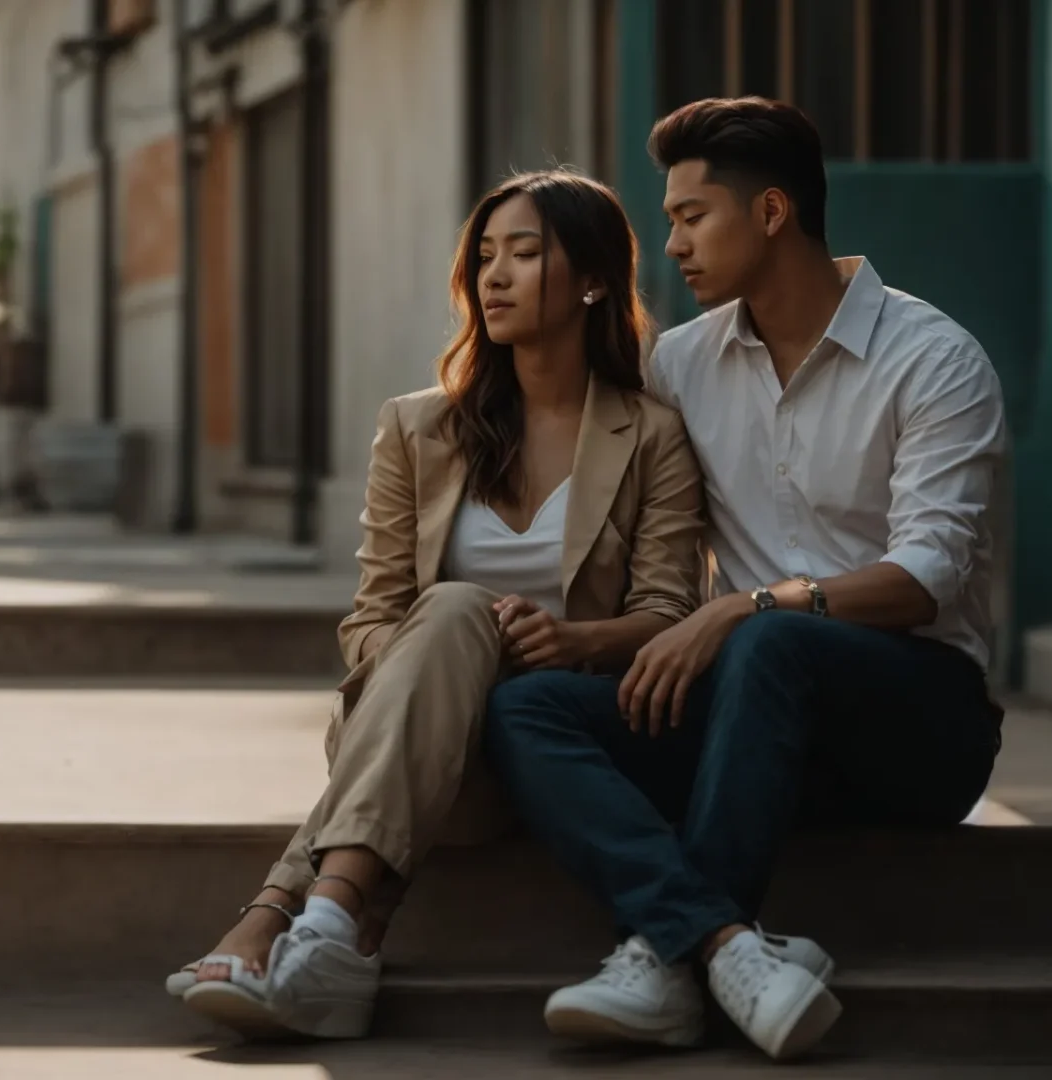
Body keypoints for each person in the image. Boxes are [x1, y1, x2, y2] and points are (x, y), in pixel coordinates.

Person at [481, 98, 1009, 1061]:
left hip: (918, 724)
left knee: (772, 640)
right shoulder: (682, 365)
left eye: (692, 217)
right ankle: (715, 943)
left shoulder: (933, 361)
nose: (672, 244)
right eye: (670, 219)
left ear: (771, 213)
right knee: (531, 711)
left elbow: (926, 578)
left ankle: (662, 957)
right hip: (753, 719)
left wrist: (746, 607)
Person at [165, 169, 711, 1040]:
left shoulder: (652, 435)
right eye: (485, 256)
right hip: (427, 742)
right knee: (454, 613)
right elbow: (371, 621)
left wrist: (569, 642)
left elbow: (668, 613)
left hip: (554, 742)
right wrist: (457, 665)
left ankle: (293, 918)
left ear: (595, 280)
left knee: (458, 620)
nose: (494, 276)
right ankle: (337, 929)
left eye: (525, 255)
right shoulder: (418, 429)